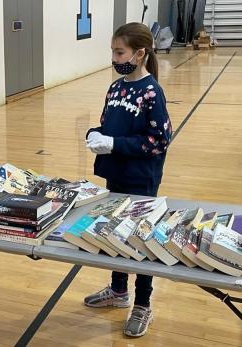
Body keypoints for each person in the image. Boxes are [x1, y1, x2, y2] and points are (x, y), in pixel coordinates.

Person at [84, 22, 173, 337]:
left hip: (141, 180)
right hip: (116, 175)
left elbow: (158, 141)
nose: (114, 57)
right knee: (115, 235)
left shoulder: (152, 92)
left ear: (139, 54)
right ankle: (119, 291)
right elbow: (108, 125)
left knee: (139, 241)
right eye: (112, 51)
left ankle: (143, 303)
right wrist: (96, 134)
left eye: (119, 51)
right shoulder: (116, 87)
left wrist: (115, 144)